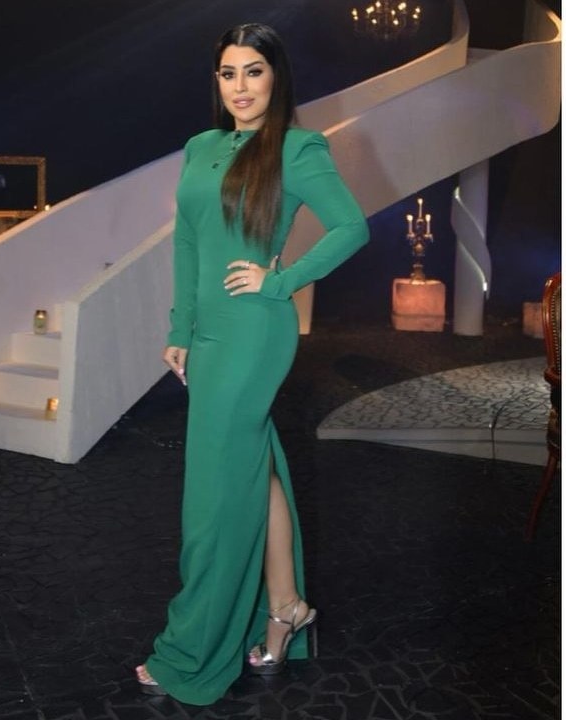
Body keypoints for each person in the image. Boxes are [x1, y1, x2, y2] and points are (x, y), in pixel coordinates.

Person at [136, 22, 370, 705]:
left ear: (277, 77)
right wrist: (180, 327)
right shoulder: (200, 147)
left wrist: (281, 280)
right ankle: (286, 607)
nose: (240, 87)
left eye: (254, 71)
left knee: (212, 497)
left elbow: (352, 226)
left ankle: (194, 650)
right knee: (253, 469)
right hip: (209, 333)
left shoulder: (297, 148)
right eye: (228, 73)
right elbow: (187, 242)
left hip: (253, 333)